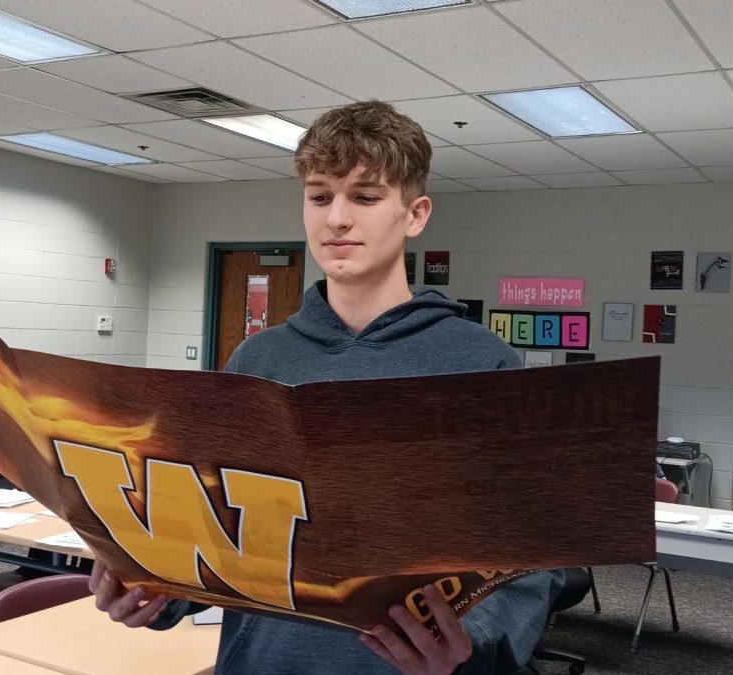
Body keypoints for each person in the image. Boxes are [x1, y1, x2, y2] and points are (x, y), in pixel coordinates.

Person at [90, 101, 558, 674]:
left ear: (415, 215)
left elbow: (531, 559)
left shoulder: (482, 364)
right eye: (319, 196)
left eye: (364, 196)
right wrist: (156, 589)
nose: (336, 218)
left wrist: (477, 639)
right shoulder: (257, 359)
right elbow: (220, 529)